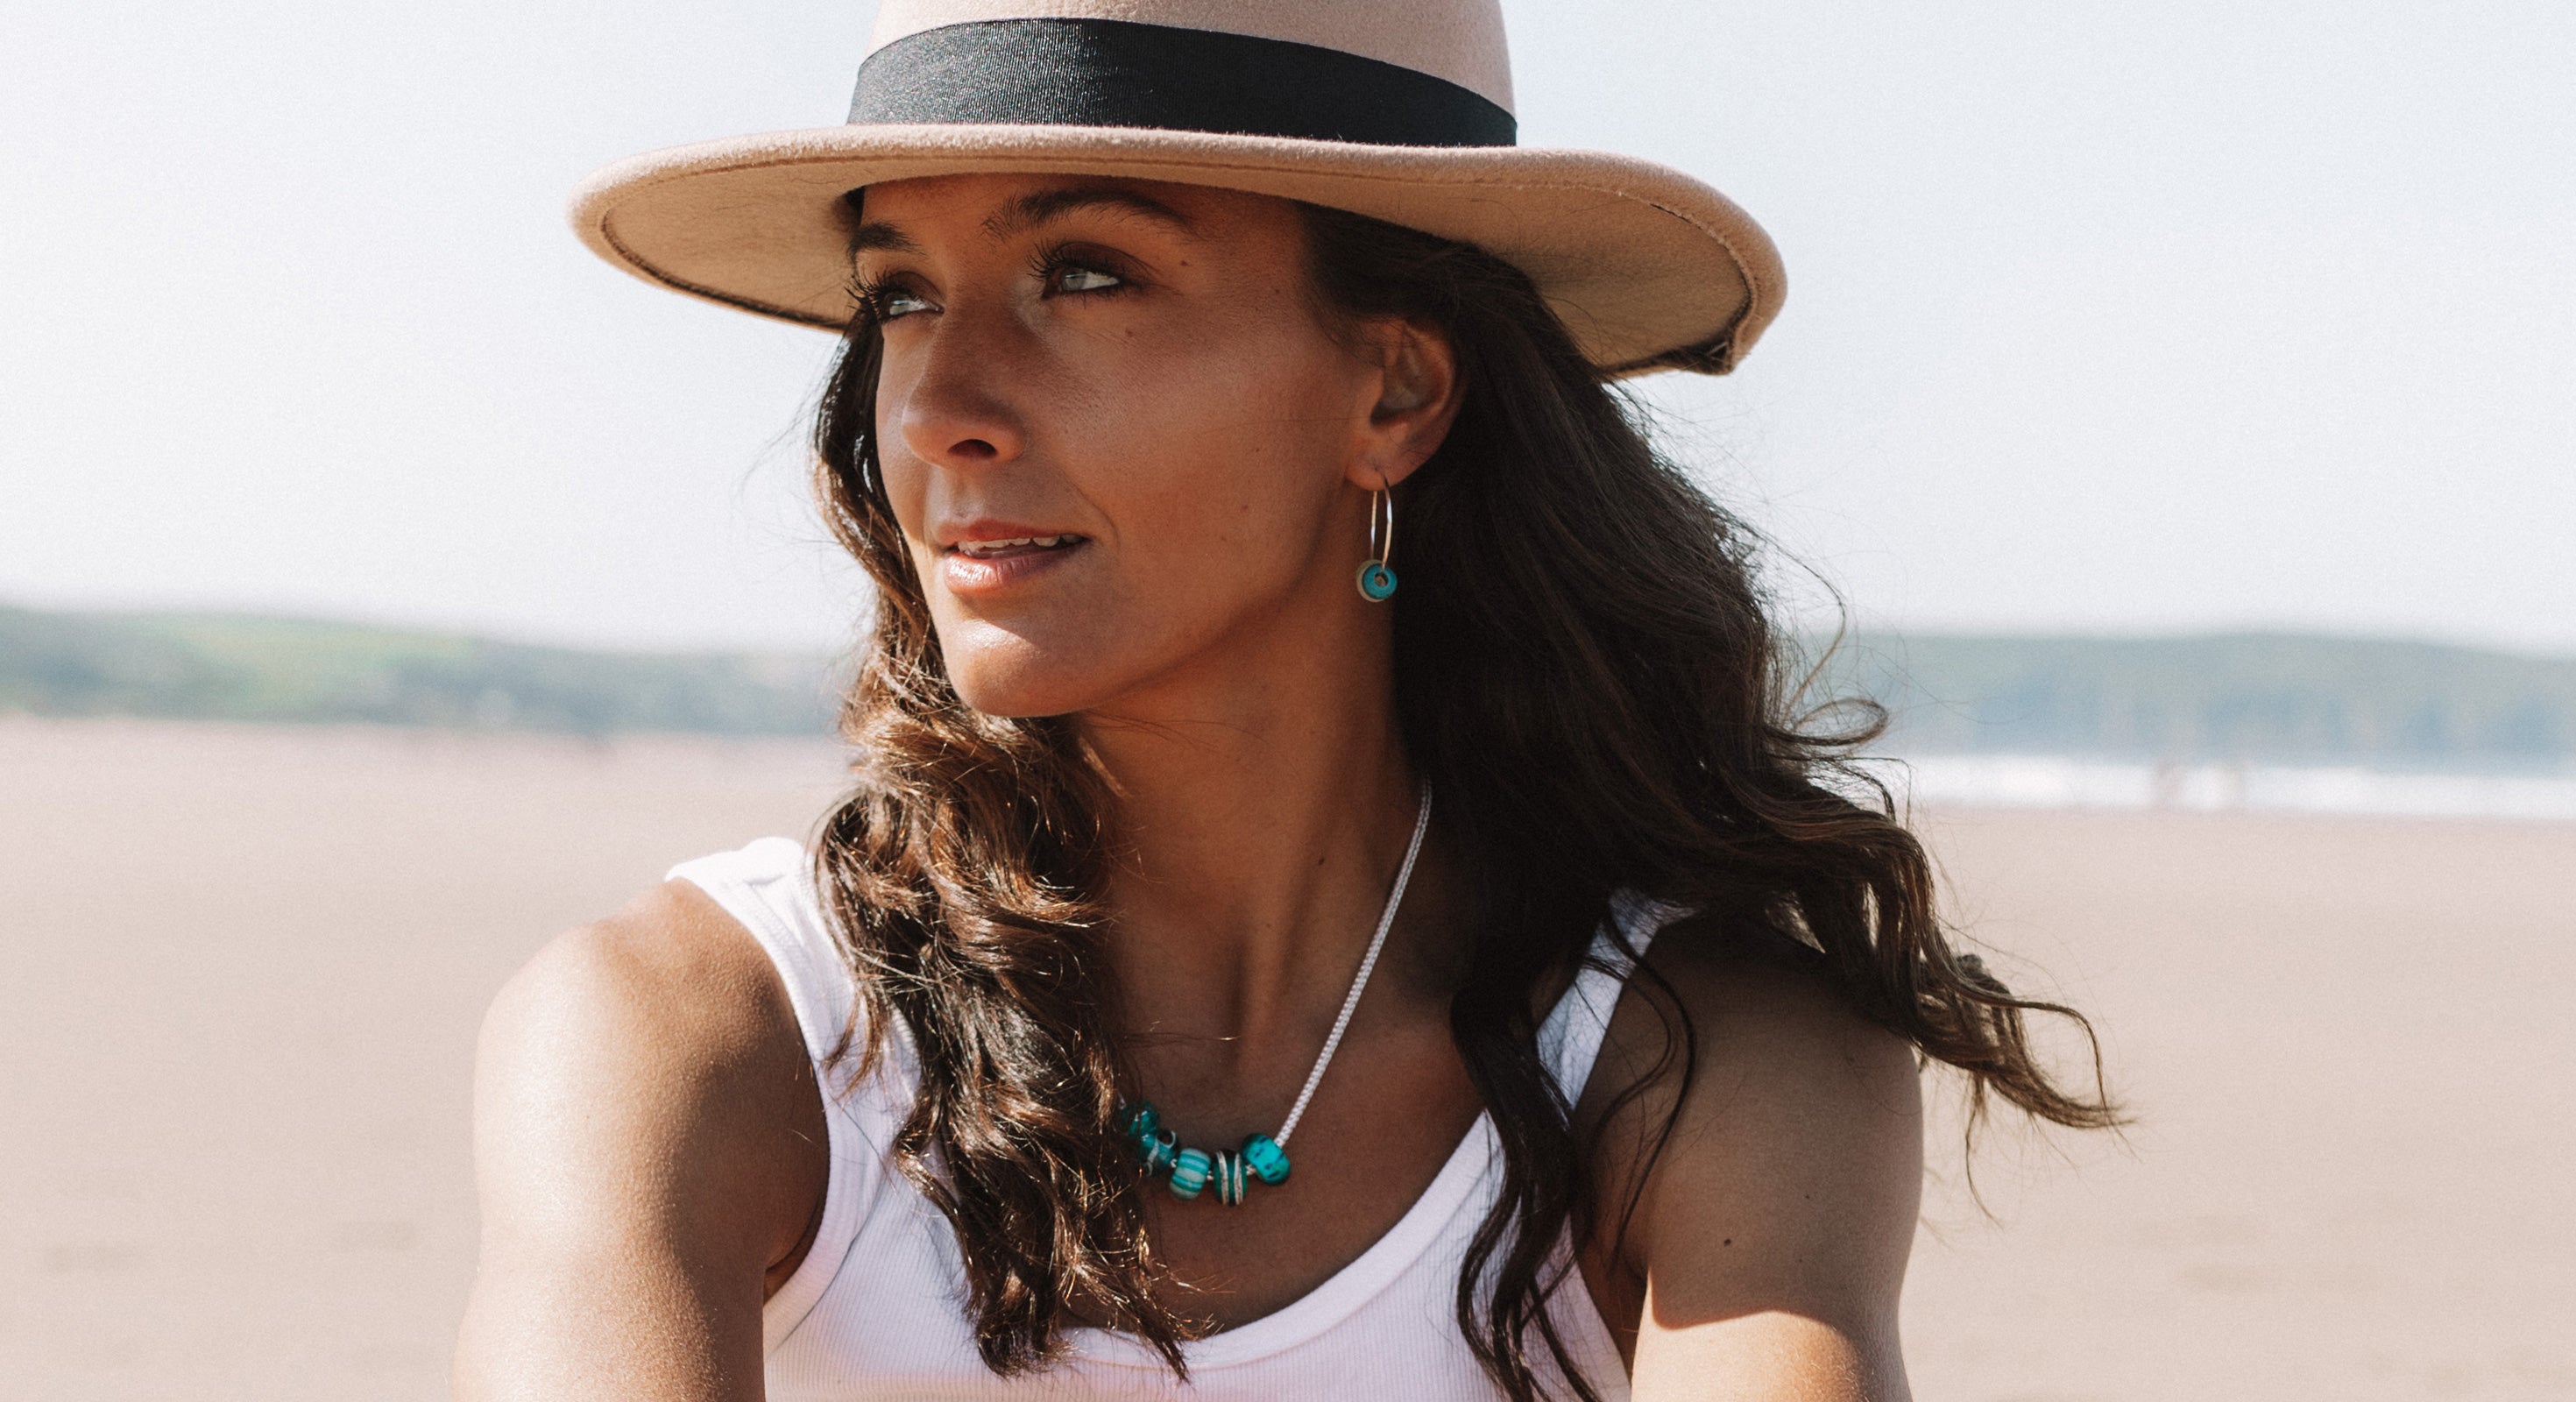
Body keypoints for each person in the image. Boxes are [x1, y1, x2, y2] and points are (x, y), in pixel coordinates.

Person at [456, 4, 2113, 1398]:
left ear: (1392, 387)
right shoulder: (700, 1040)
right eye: (898, 294)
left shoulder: (1700, 1059)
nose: (942, 403)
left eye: (1084, 275)